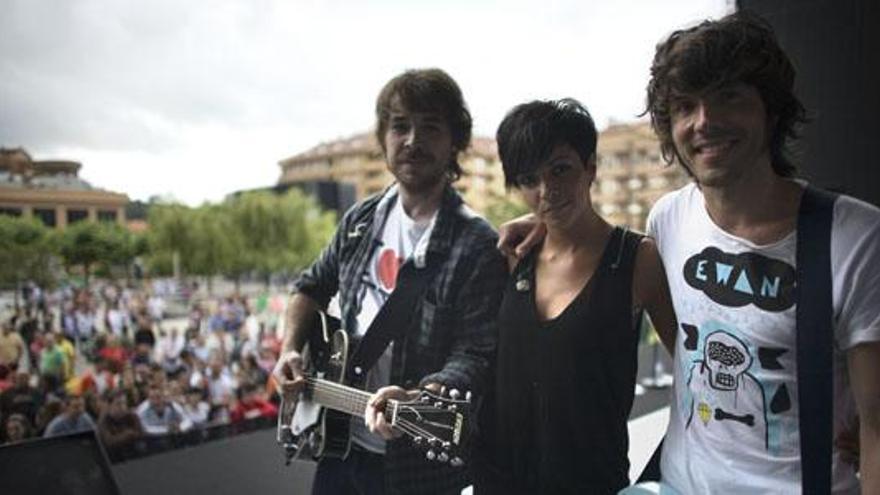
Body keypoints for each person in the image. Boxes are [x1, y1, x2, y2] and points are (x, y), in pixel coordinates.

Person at [499, 11, 879, 495]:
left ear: (772, 111)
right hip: (677, 484)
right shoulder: (670, 219)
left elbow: (875, 426)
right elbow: (689, 353)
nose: (704, 121)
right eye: (684, 106)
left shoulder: (854, 237)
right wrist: (547, 222)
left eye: (729, 97)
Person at [272, 68, 506, 495]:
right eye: (400, 126)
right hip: (338, 448)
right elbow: (309, 287)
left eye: (430, 127)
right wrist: (289, 350)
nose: (412, 140)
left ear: (455, 141)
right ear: (383, 137)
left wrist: (425, 395)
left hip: (415, 466)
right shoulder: (361, 219)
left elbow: (476, 353)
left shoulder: (477, 244)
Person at [473, 99, 676, 494]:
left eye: (561, 169)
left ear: (591, 168)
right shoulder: (515, 255)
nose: (547, 190)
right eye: (530, 178)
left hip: (591, 482)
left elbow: (693, 370)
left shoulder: (635, 258)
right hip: (498, 481)